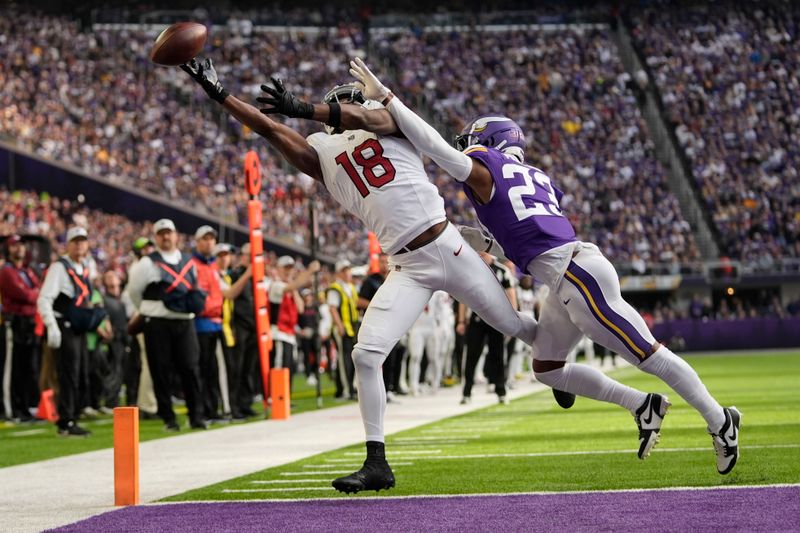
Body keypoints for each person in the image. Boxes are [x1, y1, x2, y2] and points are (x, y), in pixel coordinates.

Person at [344, 58, 741, 475]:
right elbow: (520, 235)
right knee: (547, 368)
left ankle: (720, 420)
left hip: (575, 273)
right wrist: (461, 235)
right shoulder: (534, 175)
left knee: (649, 355)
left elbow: (436, 147)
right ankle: (642, 405)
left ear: (488, 142)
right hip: (564, 273)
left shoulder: (486, 167)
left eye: (473, 142)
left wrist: (388, 98)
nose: (467, 148)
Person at [180, 58, 538, 493]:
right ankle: (377, 461)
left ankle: (563, 362)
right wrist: (221, 96)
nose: (357, 103)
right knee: (365, 355)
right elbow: (270, 129)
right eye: (350, 100)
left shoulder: (389, 122)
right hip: (405, 265)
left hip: (449, 245)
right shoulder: (322, 153)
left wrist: (302, 107)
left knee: (516, 327)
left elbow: (367, 116)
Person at [125, 219, 207, 431]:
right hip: (158, 322)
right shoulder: (146, 263)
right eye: (161, 233)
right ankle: (168, 418)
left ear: (176, 235)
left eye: (168, 233)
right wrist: (149, 310)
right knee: (160, 371)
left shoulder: (188, 261)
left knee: (190, 368)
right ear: (156, 237)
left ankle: (196, 416)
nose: (166, 237)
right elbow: (134, 291)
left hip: (184, 322)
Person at [37, 227, 106, 437]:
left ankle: (73, 415)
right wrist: (52, 326)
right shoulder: (60, 267)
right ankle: (65, 421)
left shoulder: (83, 267)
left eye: (82, 241)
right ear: (68, 244)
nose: (79, 245)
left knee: (78, 373)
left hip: (77, 327)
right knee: (68, 374)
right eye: (75, 241)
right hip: (64, 325)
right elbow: (44, 298)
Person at [191, 225, 252, 422]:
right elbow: (230, 294)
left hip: (219, 325)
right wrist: (249, 273)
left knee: (218, 371)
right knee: (214, 371)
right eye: (221, 254)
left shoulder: (214, 271)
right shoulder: (200, 267)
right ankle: (220, 409)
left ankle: (216, 409)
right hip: (205, 322)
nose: (224, 258)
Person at [459, 252, 516, 405]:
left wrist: (513, 318)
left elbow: (511, 294)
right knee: (471, 356)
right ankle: (467, 391)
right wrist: (461, 320)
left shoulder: (502, 270)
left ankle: (501, 390)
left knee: (497, 356)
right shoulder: (471, 269)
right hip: (477, 319)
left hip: (497, 319)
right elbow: (463, 297)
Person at [0, 235, 41, 422]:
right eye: (15, 246)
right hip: (14, 323)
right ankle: (11, 409)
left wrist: (33, 295)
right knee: (13, 368)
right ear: (8, 250)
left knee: (28, 368)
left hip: (29, 324)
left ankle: (25, 408)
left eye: (21, 245)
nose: (19, 249)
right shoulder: (6, 272)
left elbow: (37, 292)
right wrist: (34, 295)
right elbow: (24, 295)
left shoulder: (28, 271)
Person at [268, 256, 319, 392]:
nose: (288, 271)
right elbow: (290, 287)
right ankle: (277, 395)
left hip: (289, 334)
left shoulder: (291, 288)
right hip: (278, 333)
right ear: (278, 269)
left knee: (290, 368)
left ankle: (285, 396)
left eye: (290, 268)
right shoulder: (276, 285)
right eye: (285, 268)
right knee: (281, 366)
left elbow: (301, 308)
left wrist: (294, 287)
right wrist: (309, 271)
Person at [328, 259, 359, 400]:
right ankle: (346, 390)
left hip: (352, 326)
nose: (348, 273)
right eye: (344, 270)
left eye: (348, 270)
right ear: (339, 273)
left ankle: (351, 387)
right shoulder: (335, 288)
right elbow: (333, 308)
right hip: (343, 327)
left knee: (351, 359)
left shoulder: (350, 287)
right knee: (343, 359)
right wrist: (339, 325)